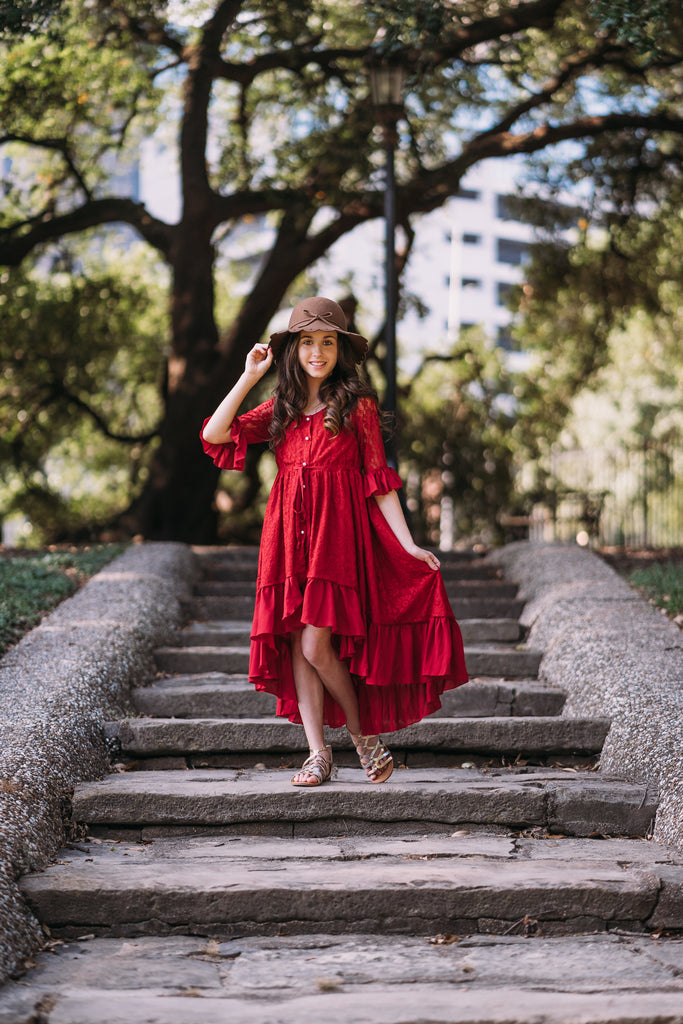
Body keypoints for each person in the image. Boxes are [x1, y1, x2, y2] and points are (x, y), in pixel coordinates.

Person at [201, 297, 468, 787]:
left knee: (314, 641)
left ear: (340, 349)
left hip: (336, 539)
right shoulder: (280, 407)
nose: (317, 352)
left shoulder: (356, 405)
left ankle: (363, 736)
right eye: (307, 342)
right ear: (293, 350)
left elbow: (378, 479)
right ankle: (317, 754)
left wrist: (406, 545)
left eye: (327, 342)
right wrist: (249, 376)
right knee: (296, 645)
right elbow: (216, 433)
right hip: (285, 539)